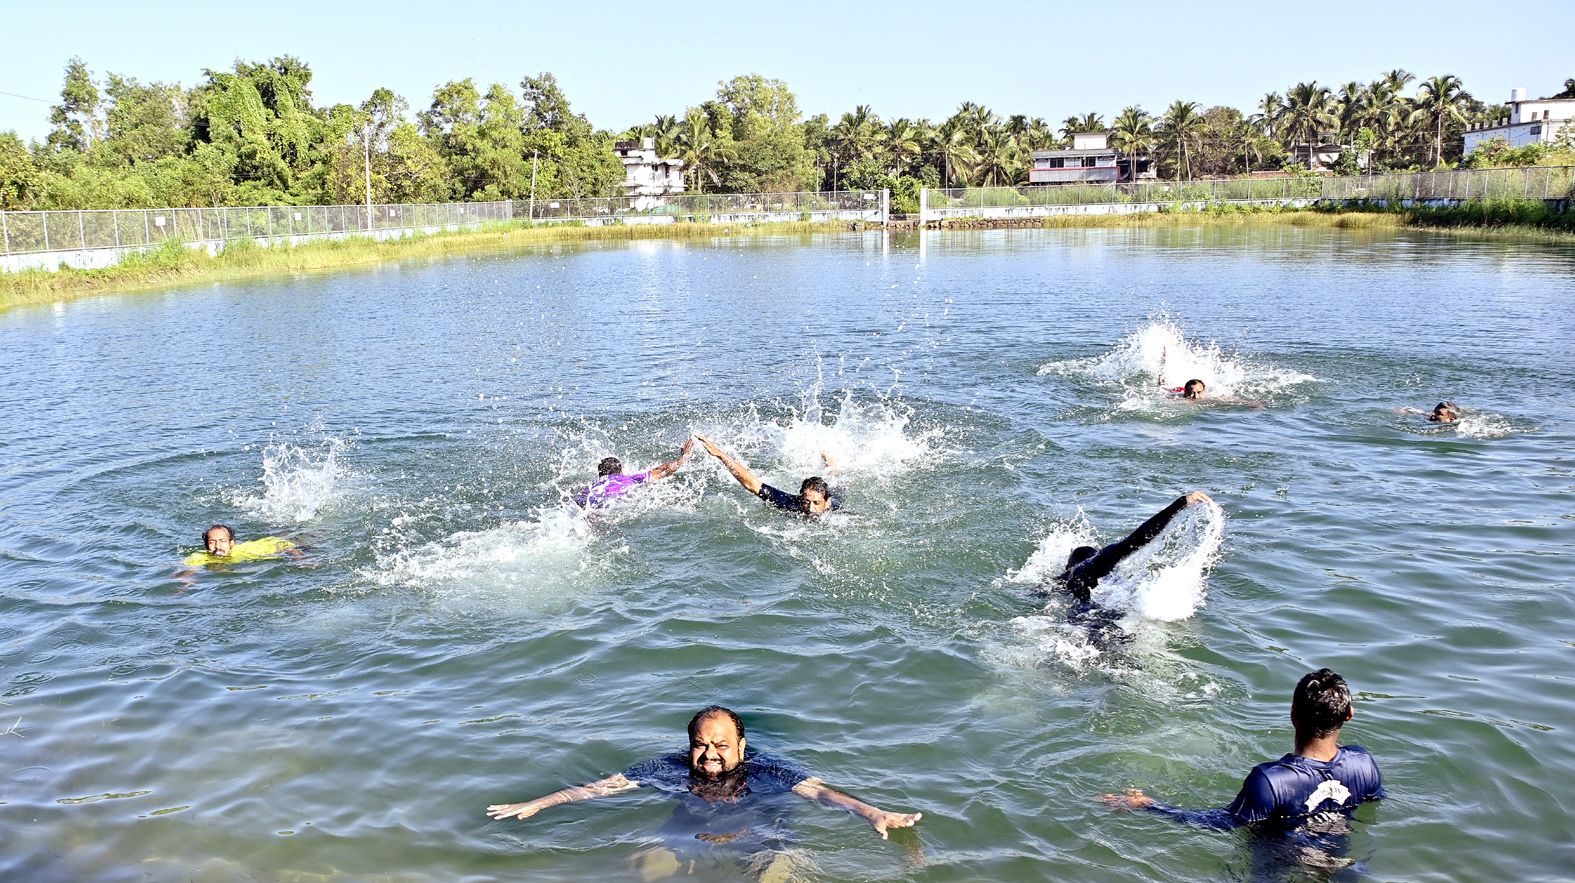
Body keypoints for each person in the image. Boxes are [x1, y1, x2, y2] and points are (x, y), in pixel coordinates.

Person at [486, 706, 921, 842]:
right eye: (701, 744)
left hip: (760, 832)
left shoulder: (768, 769)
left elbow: (821, 793)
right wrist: (540, 802)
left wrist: (870, 812)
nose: (710, 755)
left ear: (742, 747)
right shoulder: (667, 767)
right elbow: (601, 789)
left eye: (721, 745)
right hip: (689, 830)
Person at [1103, 668, 1384, 829]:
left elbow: (1221, 823)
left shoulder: (1270, 781)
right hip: (1343, 868)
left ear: (1293, 714)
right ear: (1349, 714)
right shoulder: (1364, 764)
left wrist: (1151, 806)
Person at [1052, 491, 1215, 607]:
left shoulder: (1061, 581)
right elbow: (1138, 539)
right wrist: (1181, 503)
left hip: (1077, 620)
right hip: (1104, 620)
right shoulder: (1096, 565)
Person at [695, 436, 841, 516]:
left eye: (816, 503)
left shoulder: (833, 509)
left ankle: (831, 465)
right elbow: (752, 484)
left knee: (836, 481)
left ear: (825, 503)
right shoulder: (791, 504)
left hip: (834, 495)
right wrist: (720, 454)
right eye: (806, 502)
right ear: (800, 498)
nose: (810, 508)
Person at [574, 438, 695, 507]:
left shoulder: (591, 487)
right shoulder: (631, 478)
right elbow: (663, 470)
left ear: (600, 474)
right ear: (621, 471)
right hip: (615, 502)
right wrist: (684, 457)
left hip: (592, 502)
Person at [182, 524, 301, 566]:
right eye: (212, 542)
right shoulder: (200, 558)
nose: (218, 546)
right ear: (207, 546)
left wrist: (301, 559)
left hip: (295, 539)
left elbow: (284, 546)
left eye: (223, 541)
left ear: (231, 543)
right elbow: (186, 571)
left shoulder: (247, 550)